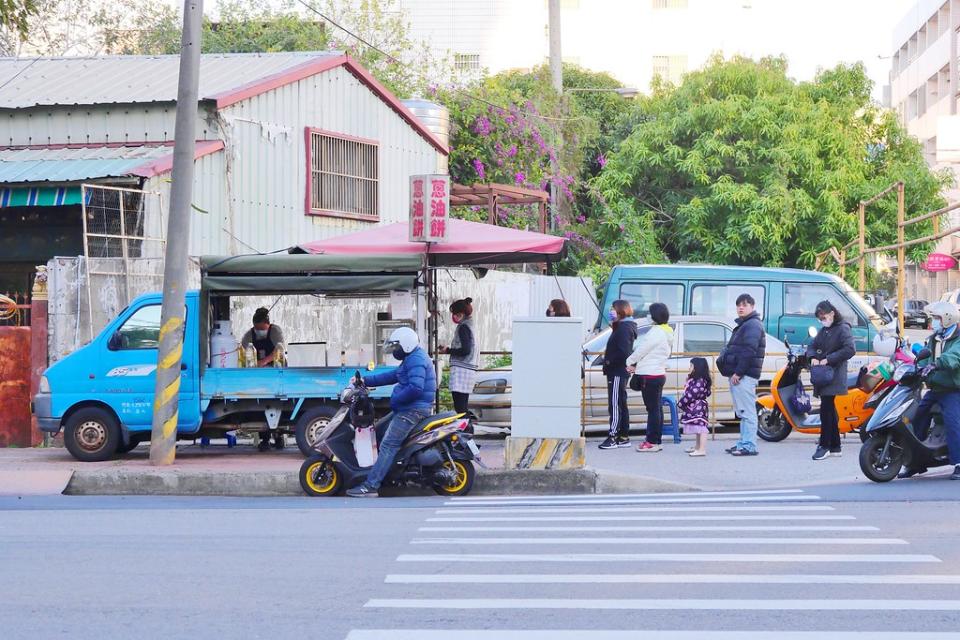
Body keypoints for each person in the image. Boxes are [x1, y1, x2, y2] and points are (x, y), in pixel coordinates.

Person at [346, 327, 437, 497]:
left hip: (413, 410)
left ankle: (371, 486)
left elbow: (416, 388)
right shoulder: (411, 358)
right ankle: (385, 475)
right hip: (408, 408)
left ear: (407, 345)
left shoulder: (416, 359)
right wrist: (364, 381)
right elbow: (393, 375)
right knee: (378, 430)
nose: (395, 351)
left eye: (397, 347)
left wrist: (395, 400)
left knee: (389, 444)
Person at [899, 301, 960, 481]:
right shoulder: (935, 337)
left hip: (952, 390)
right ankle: (915, 462)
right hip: (934, 389)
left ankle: (958, 463)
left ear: (947, 319)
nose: (934, 322)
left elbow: (953, 357)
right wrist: (918, 366)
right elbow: (926, 355)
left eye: (937, 318)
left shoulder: (957, 338)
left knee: (953, 422)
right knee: (916, 416)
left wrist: (937, 363)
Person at [806, 300, 856, 461]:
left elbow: (850, 349)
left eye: (824, 315)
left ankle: (824, 445)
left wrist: (829, 359)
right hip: (823, 375)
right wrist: (812, 357)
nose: (822, 319)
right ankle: (835, 446)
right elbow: (812, 346)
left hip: (833, 375)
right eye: (820, 317)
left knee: (826, 410)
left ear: (832, 313)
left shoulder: (842, 329)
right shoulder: (824, 330)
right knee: (828, 410)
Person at [718, 294, 766, 456]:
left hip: (744, 375)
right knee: (743, 412)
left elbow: (749, 351)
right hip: (741, 374)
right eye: (738, 304)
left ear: (752, 306)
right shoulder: (746, 324)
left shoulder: (752, 325)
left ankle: (749, 445)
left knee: (748, 411)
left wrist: (739, 372)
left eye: (745, 305)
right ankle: (743, 443)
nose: (741, 307)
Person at [626, 302, 674, 452]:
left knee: (653, 410)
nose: (648, 316)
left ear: (655, 316)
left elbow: (642, 349)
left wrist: (629, 361)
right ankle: (656, 440)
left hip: (649, 375)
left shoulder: (656, 332)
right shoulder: (667, 331)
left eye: (650, 313)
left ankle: (651, 442)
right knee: (656, 409)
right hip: (658, 373)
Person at [240, 307, 286, 451]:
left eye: (262, 328)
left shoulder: (275, 331)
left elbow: (279, 350)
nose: (260, 331)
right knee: (260, 407)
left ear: (268, 324)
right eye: (257, 328)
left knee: (279, 406)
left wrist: (264, 362)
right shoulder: (248, 336)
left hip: (277, 375)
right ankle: (264, 439)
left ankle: (279, 438)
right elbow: (244, 353)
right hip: (258, 377)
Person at [598, 300, 638, 450]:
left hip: (616, 371)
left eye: (613, 309)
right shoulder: (624, 327)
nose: (611, 311)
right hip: (619, 371)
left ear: (620, 311)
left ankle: (613, 436)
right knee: (621, 403)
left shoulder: (623, 328)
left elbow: (623, 352)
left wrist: (608, 361)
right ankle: (623, 436)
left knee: (615, 404)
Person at [439, 298, 478, 419]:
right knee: (463, 406)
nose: (453, 317)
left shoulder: (463, 327)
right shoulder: (471, 325)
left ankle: (466, 431)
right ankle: (467, 431)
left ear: (460, 314)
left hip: (462, 369)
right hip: (469, 369)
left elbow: (465, 350)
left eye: (454, 314)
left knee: (460, 407)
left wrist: (448, 350)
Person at [679, 357, 712, 457]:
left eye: (691, 366)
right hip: (696, 407)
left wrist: (681, 403)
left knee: (701, 428)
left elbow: (692, 394)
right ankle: (698, 447)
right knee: (698, 428)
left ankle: (702, 449)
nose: (689, 368)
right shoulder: (696, 380)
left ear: (697, 368)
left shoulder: (699, 381)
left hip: (698, 407)